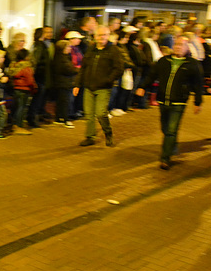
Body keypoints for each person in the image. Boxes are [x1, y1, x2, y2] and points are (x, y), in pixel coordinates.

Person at [136, 36, 203, 170]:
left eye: (181, 45)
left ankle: (165, 158)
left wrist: (198, 101)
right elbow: (152, 75)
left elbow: (197, 84)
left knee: (171, 130)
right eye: (176, 44)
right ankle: (172, 145)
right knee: (165, 128)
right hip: (163, 100)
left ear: (186, 48)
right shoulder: (164, 61)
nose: (178, 47)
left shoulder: (192, 64)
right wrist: (143, 87)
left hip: (179, 102)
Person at [73, 26, 124, 147]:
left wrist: (108, 80)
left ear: (108, 36)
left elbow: (119, 69)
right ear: (95, 36)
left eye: (104, 35)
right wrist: (77, 84)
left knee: (101, 113)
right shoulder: (91, 50)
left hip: (103, 87)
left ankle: (108, 132)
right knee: (89, 114)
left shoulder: (113, 50)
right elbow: (84, 68)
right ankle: (90, 137)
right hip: (89, 87)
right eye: (99, 35)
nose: (102, 38)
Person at [52, 40, 78, 128]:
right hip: (64, 82)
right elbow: (68, 70)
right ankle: (66, 119)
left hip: (62, 82)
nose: (70, 48)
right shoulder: (62, 59)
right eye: (68, 47)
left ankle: (59, 118)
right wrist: (77, 70)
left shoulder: (62, 57)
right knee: (66, 101)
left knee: (61, 101)